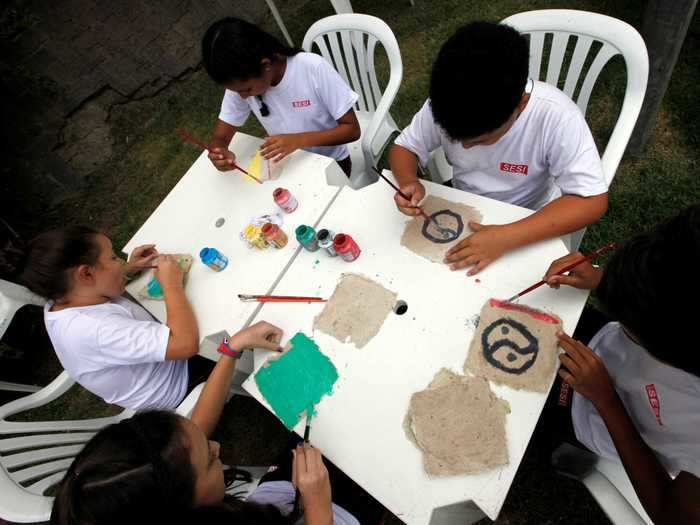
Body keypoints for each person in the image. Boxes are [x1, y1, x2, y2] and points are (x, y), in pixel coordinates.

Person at [50, 320, 366, 525]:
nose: (217, 445)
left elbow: (194, 434)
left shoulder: (159, 486)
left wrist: (232, 349)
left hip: (277, 504)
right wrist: (317, 506)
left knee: (338, 427)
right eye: (210, 458)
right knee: (370, 464)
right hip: (318, 512)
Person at [390, 21, 608, 275]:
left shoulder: (556, 116)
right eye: (456, 138)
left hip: (528, 218)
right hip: (466, 204)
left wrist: (507, 236)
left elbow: (592, 200)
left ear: (521, 105)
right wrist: (408, 181)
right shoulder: (450, 101)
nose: (467, 147)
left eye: (481, 139)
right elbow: (404, 147)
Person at [543, 203, 700, 524]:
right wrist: (605, 282)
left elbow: (671, 515)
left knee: (518, 412)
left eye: (635, 329)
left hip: (592, 413)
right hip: (597, 349)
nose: (626, 326)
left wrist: (605, 399)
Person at [0, 225, 204, 410]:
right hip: (177, 385)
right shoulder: (94, 329)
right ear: (86, 274)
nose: (120, 261)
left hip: (164, 363)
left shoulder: (63, 298)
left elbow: (98, 285)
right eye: (113, 257)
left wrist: (128, 269)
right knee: (225, 325)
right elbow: (186, 345)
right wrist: (171, 285)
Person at [202, 17, 361, 177]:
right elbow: (220, 136)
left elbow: (352, 130)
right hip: (289, 165)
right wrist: (218, 149)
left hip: (331, 163)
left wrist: (299, 140)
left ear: (266, 65)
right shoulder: (241, 83)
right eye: (237, 91)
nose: (242, 97)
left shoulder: (312, 68)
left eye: (247, 90)